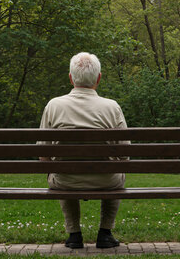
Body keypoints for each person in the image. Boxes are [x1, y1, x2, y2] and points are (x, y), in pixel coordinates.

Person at [38, 52, 129, 249]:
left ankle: (74, 234)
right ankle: (105, 233)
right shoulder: (112, 107)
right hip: (107, 180)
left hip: (65, 181)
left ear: (71, 78)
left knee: (59, 169)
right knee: (118, 169)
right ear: (99, 78)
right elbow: (125, 153)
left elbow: (43, 153)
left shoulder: (54, 105)